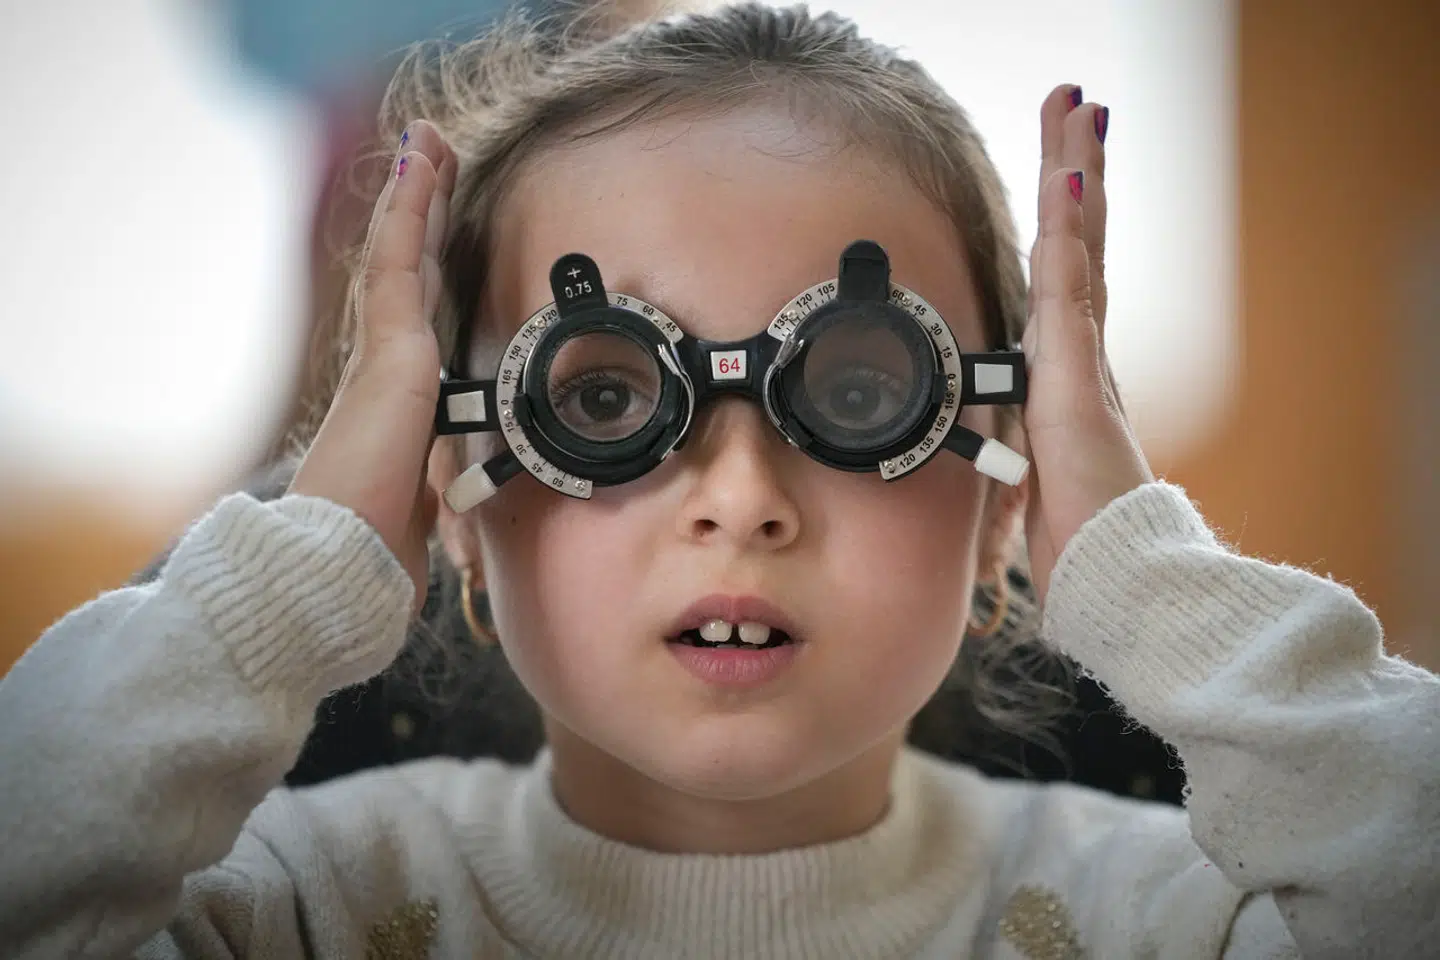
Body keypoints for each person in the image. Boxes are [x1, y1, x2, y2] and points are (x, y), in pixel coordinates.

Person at [1, 3, 1435, 957]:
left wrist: (1141, 568)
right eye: (607, 395)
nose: (739, 494)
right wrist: (312, 552)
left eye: (861, 392)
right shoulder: (307, 906)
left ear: (1008, 489)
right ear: (459, 488)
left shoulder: (1151, 918)